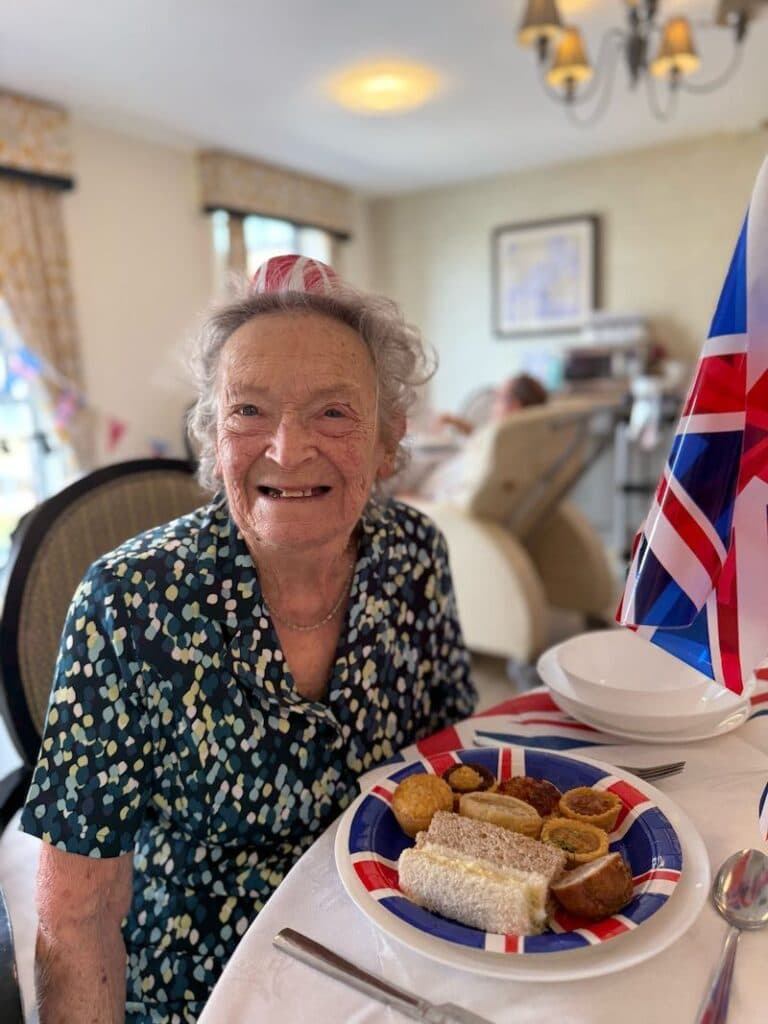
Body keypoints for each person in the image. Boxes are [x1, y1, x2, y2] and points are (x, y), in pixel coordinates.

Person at [20, 255, 477, 1024]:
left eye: (334, 412)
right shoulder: (130, 604)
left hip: (401, 933)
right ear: (212, 437)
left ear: (388, 441)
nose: (287, 450)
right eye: (250, 410)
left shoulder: (414, 552)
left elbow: (449, 761)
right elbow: (78, 915)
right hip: (209, 974)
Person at [401, 373, 548, 501]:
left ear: (514, 406)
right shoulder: (519, 444)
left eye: (498, 398)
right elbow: (479, 435)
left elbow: (455, 498)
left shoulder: (494, 455)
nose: (493, 406)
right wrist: (454, 421)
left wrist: (415, 499)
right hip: (431, 487)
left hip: (429, 501)